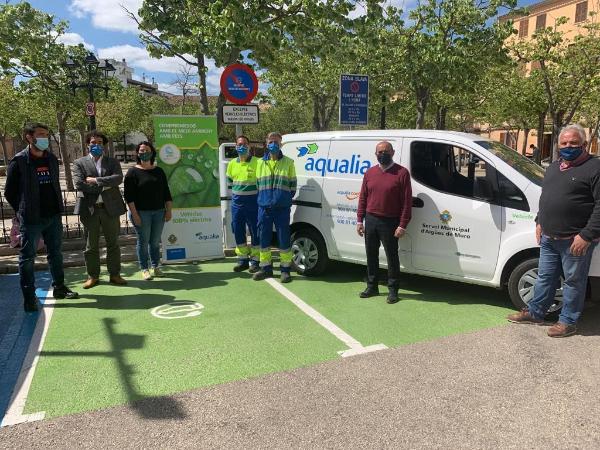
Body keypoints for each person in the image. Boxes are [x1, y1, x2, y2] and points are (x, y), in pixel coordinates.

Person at [508, 124, 600, 337]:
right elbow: (546, 197)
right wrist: (540, 221)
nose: (568, 147)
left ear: (584, 145)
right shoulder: (554, 167)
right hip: (549, 237)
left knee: (574, 282)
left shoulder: (595, 168)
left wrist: (586, 235)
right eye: (564, 143)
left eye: (574, 143)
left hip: (575, 240)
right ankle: (535, 313)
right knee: (545, 278)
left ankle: (568, 322)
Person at [4, 122, 78, 312]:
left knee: (56, 254)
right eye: (40, 134)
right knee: (28, 257)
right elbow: (10, 193)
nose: (44, 138)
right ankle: (29, 297)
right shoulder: (19, 161)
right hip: (31, 219)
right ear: (29, 137)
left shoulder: (51, 158)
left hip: (53, 216)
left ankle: (59, 288)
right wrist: (23, 210)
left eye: (46, 134)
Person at [356, 141, 412, 304]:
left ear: (392, 152)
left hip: (390, 222)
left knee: (391, 257)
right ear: (375, 155)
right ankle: (372, 286)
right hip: (371, 219)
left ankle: (393, 290)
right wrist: (360, 220)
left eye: (385, 151)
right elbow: (363, 198)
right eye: (379, 152)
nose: (382, 154)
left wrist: (402, 224)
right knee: (371, 255)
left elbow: (407, 203)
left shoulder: (402, 173)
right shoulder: (370, 173)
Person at [73, 130, 127, 288]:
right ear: (87, 144)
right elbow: (79, 184)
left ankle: (115, 274)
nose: (96, 145)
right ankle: (92, 276)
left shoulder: (112, 162)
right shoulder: (79, 163)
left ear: (104, 145)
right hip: (90, 210)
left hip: (110, 209)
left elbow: (117, 179)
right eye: (93, 143)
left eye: (99, 143)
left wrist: (96, 180)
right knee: (91, 246)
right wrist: (105, 186)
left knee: (113, 243)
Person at [124, 141, 173, 280]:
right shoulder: (132, 172)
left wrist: (168, 210)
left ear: (152, 152)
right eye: (141, 151)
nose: (144, 153)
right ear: (137, 153)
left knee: (155, 241)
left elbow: (166, 192)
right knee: (143, 241)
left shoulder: (159, 171)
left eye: (146, 150)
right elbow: (129, 197)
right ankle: (144, 268)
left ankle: (156, 266)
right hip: (141, 213)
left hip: (159, 212)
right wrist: (135, 214)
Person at [253, 132, 297, 283]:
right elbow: (257, 185)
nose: (274, 144)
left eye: (276, 142)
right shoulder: (259, 163)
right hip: (263, 208)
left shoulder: (289, 162)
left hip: (281, 209)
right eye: (271, 141)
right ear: (266, 143)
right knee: (263, 239)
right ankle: (265, 269)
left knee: (283, 239)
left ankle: (285, 270)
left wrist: (282, 199)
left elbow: (293, 186)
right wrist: (264, 200)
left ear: (281, 144)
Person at [226, 135, 260, 273]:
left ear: (249, 146)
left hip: (254, 203)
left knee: (255, 231)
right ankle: (242, 260)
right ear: (235, 146)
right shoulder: (232, 163)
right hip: (237, 203)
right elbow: (230, 184)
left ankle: (256, 260)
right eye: (239, 144)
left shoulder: (258, 162)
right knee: (238, 230)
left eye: (245, 144)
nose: (242, 146)